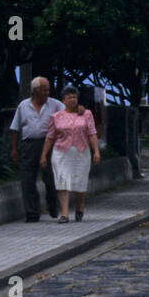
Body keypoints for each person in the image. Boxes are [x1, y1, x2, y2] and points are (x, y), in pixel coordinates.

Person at [40, 85, 101, 223]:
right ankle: (65, 214)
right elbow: (50, 137)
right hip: (61, 152)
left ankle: (80, 206)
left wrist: (96, 151)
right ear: (64, 100)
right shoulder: (56, 117)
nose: (72, 100)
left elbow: (91, 133)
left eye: (74, 97)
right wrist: (43, 155)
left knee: (80, 181)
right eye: (69, 97)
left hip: (81, 151)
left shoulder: (86, 114)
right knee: (62, 180)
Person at [9, 77, 64, 222]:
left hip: (48, 144)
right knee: (27, 180)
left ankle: (53, 206)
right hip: (28, 145)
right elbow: (15, 129)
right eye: (44, 90)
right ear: (35, 91)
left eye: (48, 90)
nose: (47, 93)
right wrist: (14, 149)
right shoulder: (23, 106)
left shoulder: (55, 105)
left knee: (50, 178)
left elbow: (68, 114)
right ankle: (32, 213)